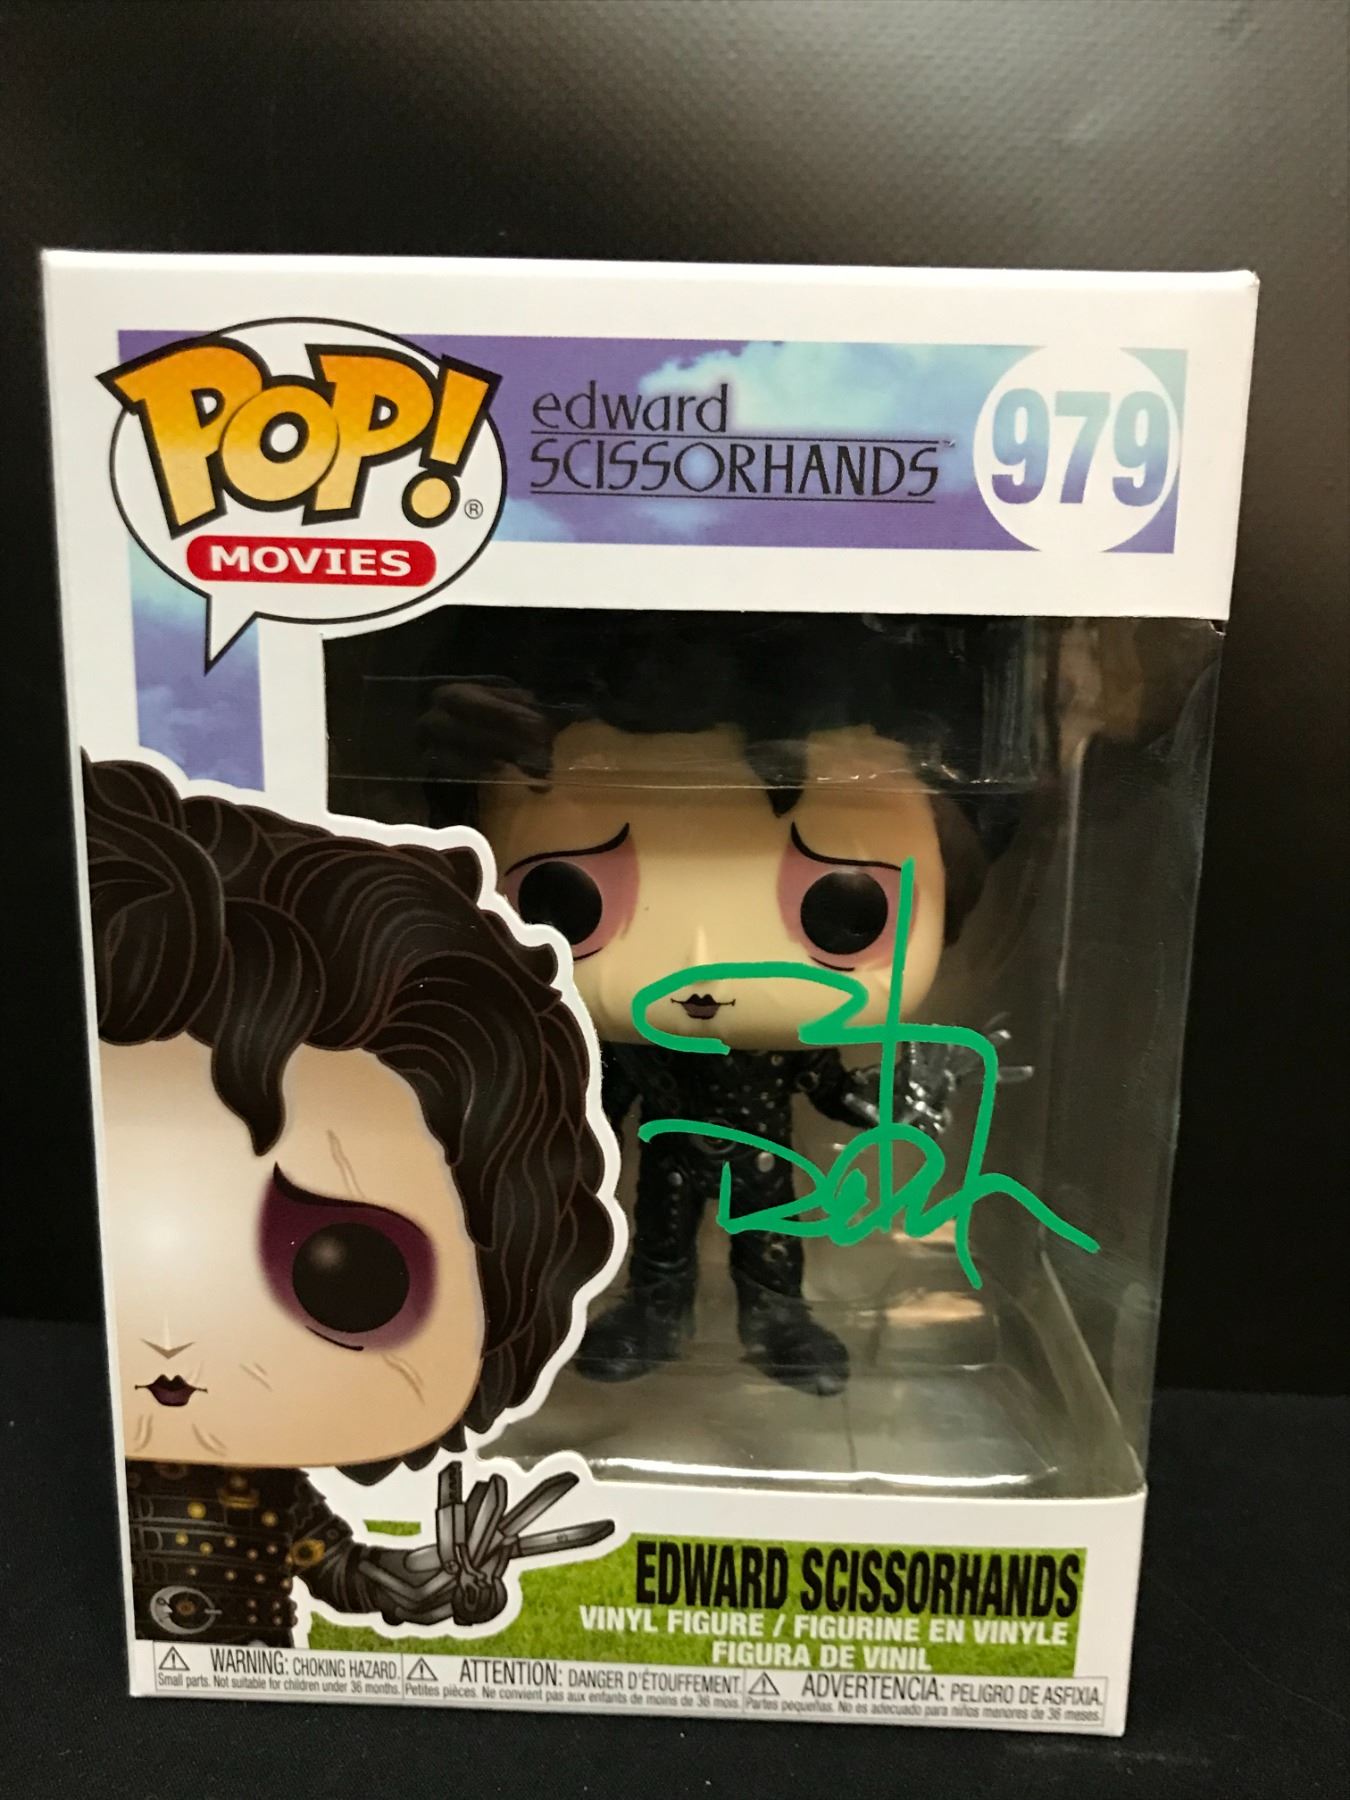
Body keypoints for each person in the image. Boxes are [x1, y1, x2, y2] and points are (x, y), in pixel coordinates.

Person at [86, 755, 615, 1644]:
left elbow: (350, 1575)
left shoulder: (271, 1489)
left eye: (346, 1277)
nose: (174, 1342)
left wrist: (442, 1585)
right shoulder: (58, 1462)